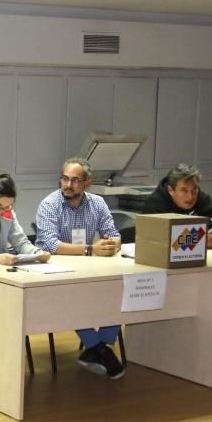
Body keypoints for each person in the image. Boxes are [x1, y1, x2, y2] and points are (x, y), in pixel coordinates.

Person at [35, 158, 126, 379]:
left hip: (88, 267)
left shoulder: (97, 203)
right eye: (65, 179)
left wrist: (112, 244)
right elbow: (50, 244)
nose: (68, 184)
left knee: (119, 290)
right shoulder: (49, 204)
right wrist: (89, 249)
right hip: (54, 270)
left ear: (87, 183)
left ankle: (98, 348)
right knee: (73, 299)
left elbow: (113, 233)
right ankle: (98, 348)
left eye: (75, 180)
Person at [143, 163, 212, 248]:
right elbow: (156, 240)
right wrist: (197, 240)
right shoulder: (155, 203)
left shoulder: (204, 200)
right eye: (184, 190)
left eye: (194, 189)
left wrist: (185, 240)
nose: (191, 196)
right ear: (171, 190)